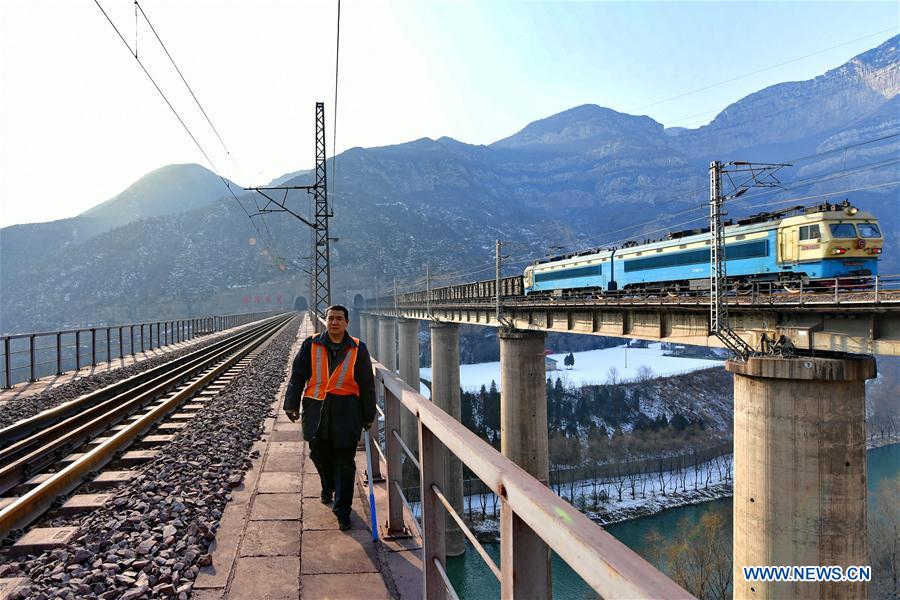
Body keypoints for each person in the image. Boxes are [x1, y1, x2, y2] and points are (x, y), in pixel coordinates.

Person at [283, 305, 376, 530]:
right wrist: (291, 404)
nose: (334, 322)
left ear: (346, 322)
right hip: (316, 410)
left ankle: (343, 511)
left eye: (339, 319)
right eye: (331, 318)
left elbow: (366, 384)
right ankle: (328, 485)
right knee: (318, 454)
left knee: (345, 463)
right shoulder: (311, 344)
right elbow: (298, 375)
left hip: (347, 411)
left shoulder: (357, 348)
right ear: (325, 321)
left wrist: (368, 414)